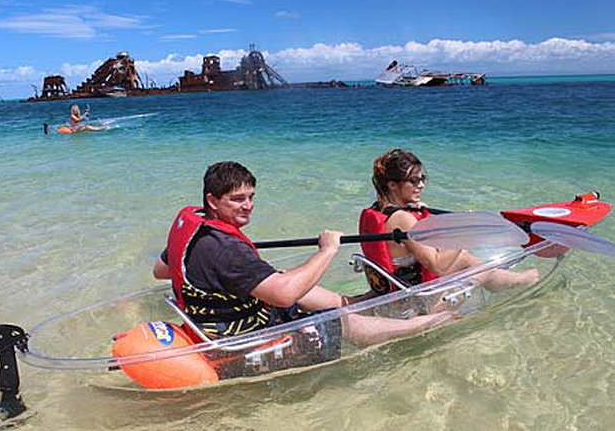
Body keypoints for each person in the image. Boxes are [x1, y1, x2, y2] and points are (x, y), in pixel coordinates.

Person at [153, 160, 458, 370]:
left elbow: (162, 270)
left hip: (213, 315)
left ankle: (357, 302)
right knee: (338, 320)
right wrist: (327, 250)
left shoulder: (194, 224)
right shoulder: (225, 250)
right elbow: (284, 295)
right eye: (236, 199)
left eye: (250, 197)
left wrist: (210, 271)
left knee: (285, 278)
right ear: (212, 200)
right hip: (239, 336)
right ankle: (421, 325)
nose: (248, 206)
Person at [359, 148, 539, 294]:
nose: (421, 185)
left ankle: (506, 280)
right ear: (392, 185)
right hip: (418, 300)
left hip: (398, 288)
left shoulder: (379, 209)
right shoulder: (403, 219)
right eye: (413, 181)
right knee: (472, 262)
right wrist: (465, 234)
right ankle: (520, 281)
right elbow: (436, 265)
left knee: (465, 259)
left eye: (423, 179)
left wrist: (416, 210)